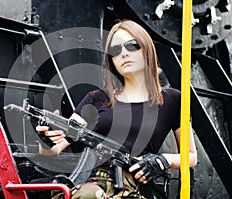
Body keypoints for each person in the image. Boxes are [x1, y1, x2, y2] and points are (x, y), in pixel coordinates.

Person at [36, 20, 197, 199]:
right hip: (88, 186)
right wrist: (46, 140)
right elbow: (58, 145)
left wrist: (162, 160)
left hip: (132, 187)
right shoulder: (96, 98)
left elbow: (190, 156)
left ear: (146, 48)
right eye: (115, 50)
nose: (124, 54)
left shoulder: (172, 100)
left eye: (132, 46)